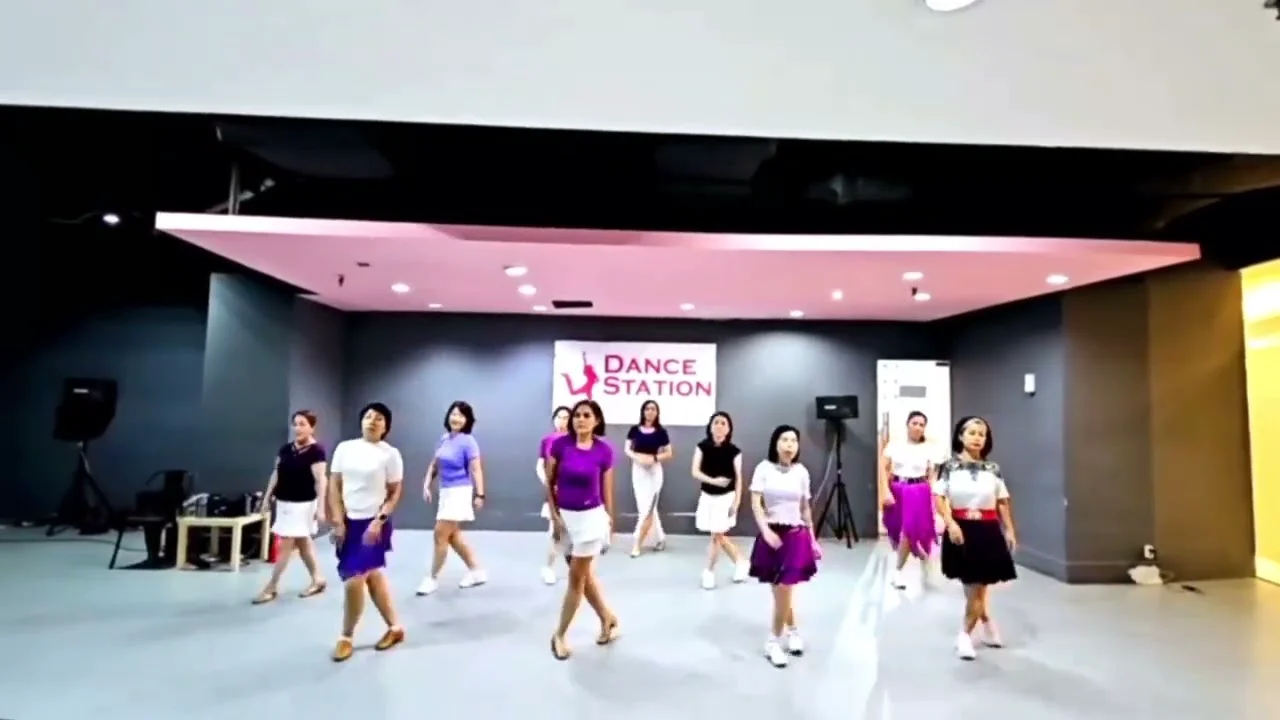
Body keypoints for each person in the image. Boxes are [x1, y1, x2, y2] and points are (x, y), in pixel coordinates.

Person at [933, 416, 1018, 661]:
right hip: (961, 529)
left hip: (988, 530)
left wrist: (1009, 529)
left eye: (982, 434)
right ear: (960, 436)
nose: (977, 438)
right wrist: (950, 523)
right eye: (972, 433)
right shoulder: (949, 467)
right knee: (973, 586)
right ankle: (975, 629)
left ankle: (969, 631)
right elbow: (939, 498)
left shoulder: (993, 469)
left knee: (978, 586)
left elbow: (1002, 501)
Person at [328, 402, 406, 662]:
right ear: (361, 422)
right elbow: (334, 486)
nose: (373, 421)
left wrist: (378, 521)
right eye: (368, 416)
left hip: (374, 525)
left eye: (379, 418)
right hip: (349, 523)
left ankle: (346, 637)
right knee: (372, 576)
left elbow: (394, 492)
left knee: (354, 579)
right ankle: (395, 628)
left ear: (386, 426)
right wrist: (338, 521)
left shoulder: (390, 454)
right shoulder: (345, 448)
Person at [546, 399, 620, 660]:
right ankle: (607, 618)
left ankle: (559, 635)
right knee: (584, 577)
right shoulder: (560, 445)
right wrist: (554, 516)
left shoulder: (604, 451)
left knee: (576, 579)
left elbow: (606, 489)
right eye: (577, 415)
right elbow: (549, 482)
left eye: (587, 415)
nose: (580, 419)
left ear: (596, 420)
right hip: (564, 519)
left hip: (591, 520)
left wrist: (610, 521)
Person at [748, 424, 820, 668]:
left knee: (785, 588)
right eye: (784, 440)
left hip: (795, 536)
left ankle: (773, 641)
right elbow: (756, 503)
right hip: (772, 535)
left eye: (793, 441)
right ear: (775, 443)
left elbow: (805, 509)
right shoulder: (763, 469)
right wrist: (765, 531)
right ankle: (793, 630)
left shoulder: (801, 472)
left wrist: (813, 539)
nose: (789, 445)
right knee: (779, 591)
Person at [253, 410, 328, 604]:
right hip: (284, 503)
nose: (298, 428)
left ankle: (271, 586)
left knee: (285, 545)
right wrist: (267, 497)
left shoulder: (316, 451)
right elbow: (276, 473)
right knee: (303, 544)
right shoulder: (286, 449)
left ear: (312, 427)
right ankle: (318, 579)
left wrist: (321, 508)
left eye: (303, 424)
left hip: (303, 505)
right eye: (295, 424)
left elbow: (321, 480)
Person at [417, 400, 487, 595]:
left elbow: (476, 469)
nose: (456, 418)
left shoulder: (468, 441)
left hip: (459, 492)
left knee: (439, 534)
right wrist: (426, 484)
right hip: (445, 492)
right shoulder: (444, 439)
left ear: (467, 420)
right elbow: (435, 464)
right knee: (453, 536)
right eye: (453, 414)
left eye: (461, 415)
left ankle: (432, 578)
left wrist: (480, 494)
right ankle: (477, 572)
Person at [880, 411, 940, 589]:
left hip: (919, 490)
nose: (918, 427)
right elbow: (882, 467)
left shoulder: (928, 448)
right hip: (898, 488)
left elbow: (932, 475)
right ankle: (923, 557)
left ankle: (897, 572)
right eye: (915, 423)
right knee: (897, 529)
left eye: (922, 425)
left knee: (909, 530)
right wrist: (885, 490)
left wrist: (935, 500)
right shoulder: (895, 445)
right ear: (907, 424)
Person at [692, 411, 748, 589]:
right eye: (716, 422)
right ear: (710, 426)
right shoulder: (702, 447)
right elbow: (695, 472)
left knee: (717, 535)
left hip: (726, 497)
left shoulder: (734, 452)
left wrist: (737, 502)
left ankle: (709, 572)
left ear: (729, 429)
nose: (719, 426)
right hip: (707, 496)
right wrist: (714, 481)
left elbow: (738, 478)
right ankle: (740, 562)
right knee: (718, 535)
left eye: (723, 423)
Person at [626, 399, 672, 557]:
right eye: (647, 409)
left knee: (650, 507)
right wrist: (638, 458)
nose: (650, 412)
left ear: (657, 412)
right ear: (643, 411)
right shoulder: (634, 430)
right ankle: (660, 538)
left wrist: (654, 458)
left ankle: (637, 542)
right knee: (644, 507)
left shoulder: (661, 432)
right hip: (638, 470)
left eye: (653, 409)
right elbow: (627, 449)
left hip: (654, 471)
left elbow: (669, 452)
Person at [537, 406, 572, 584]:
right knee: (556, 532)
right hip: (555, 495)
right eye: (559, 417)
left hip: (573, 495)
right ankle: (548, 568)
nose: (562, 421)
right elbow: (540, 465)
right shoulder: (547, 440)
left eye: (566, 417)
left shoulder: (575, 441)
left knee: (572, 534)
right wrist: (549, 483)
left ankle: (575, 569)